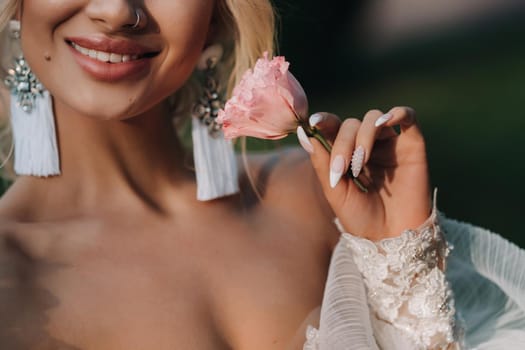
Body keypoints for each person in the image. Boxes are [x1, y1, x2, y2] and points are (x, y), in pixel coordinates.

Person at [0, 1, 523, 349]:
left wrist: (401, 257)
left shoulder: (318, 198)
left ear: (215, 13)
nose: (117, 11)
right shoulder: (11, 284)